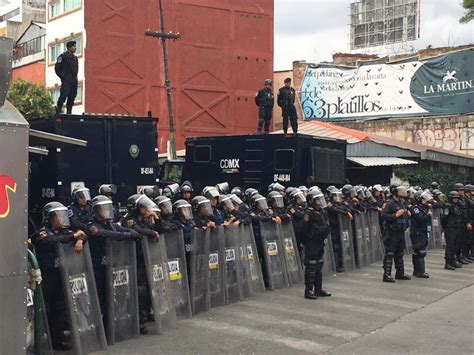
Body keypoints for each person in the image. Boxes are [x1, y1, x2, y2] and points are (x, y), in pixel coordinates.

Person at [33, 202, 86, 350]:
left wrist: (80, 240)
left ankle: (57, 339)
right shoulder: (43, 233)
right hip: (47, 276)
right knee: (46, 309)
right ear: (49, 218)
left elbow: (83, 234)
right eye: (58, 216)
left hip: (61, 274)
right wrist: (73, 237)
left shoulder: (65, 232)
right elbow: (49, 242)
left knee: (60, 308)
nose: (61, 219)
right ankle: (41, 342)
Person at [86, 195, 141, 337]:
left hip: (112, 266)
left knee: (116, 296)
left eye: (107, 208)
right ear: (96, 211)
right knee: (101, 298)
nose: (106, 211)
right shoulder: (93, 225)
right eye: (102, 209)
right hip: (98, 266)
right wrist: (126, 235)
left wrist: (130, 233)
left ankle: (113, 326)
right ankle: (101, 330)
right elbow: (106, 234)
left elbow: (124, 230)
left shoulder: (110, 223)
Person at [123, 194, 161, 334]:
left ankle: (146, 315)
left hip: (145, 259)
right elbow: (138, 231)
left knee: (147, 289)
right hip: (133, 261)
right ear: (136, 208)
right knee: (139, 291)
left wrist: (156, 218)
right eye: (143, 207)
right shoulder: (129, 219)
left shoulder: (143, 220)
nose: (146, 209)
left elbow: (159, 230)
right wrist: (152, 232)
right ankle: (138, 322)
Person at [302, 191, 331, 299]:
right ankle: (308, 290)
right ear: (311, 201)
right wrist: (305, 241)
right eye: (317, 199)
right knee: (311, 265)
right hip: (312, 242)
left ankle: (318, 289)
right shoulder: (309, 212)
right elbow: (304, 229)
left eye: (320, 199)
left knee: (319, 264)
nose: (320, 202)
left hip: (320, 241)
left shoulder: (321, 211)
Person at [381, 184, 411, 282]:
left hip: (400, 231)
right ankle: (387, 275)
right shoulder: (389, 203)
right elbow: (384, 216)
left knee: (400, 253)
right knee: (390, 253)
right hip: (391, 232)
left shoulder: (401, 202)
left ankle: (400, 273)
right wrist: (395, 215)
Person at [327, 189, 353, 272]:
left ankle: (341, 263)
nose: (337, 198)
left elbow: (347, 209)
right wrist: (345, 213)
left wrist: (347, 212)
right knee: (336, 247)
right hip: (333, 228)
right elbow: (335, 210)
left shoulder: (338, 204)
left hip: (340, 228)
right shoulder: (330, 205)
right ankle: (336, 265)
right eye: (335, 196)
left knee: (341, 245)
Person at [409, 190, 433, 278]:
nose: (426, 201)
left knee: (419, 251)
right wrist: (428, 215)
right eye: (424, 199)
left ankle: (417, 271)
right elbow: (420, 218)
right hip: (417, 232)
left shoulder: (425, 207)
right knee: (420, 251)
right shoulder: (415, 208)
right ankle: (420, 271)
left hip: (423, 231)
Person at [55, 40, 79, 114]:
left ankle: (69, 111)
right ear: (69, 47)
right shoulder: (63, 56)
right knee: (64, 95)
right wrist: (63, 76)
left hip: (74, 80)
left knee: (72, 96)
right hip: (67, 80)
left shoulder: (75, 58)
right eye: (74, 46)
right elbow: (57, 68)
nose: (75, 48)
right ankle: (59, 108)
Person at [442, 191, 464, 270]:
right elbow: (444, 218)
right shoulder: (448, 206)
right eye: (454, 198)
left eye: (457, 198)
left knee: (455, 245)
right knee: (450, 246)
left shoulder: (456, 206)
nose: (456, 199)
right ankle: (447, 263)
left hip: (456, 228)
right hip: (450, 228)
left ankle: (453, 260)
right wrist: (446, 228)